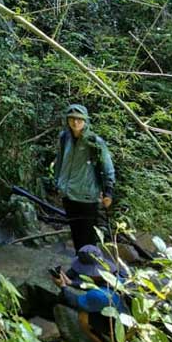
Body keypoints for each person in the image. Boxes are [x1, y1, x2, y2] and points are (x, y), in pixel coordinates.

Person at [53, 104, 115, 251]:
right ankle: (79, 267)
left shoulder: (94, 142)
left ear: (85, 121)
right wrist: (57, 182)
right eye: (72, 119)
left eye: (79, 119)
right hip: (68, 195)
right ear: (67, 120)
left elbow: (108, 169)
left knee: (88, 238)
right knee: (75, 234)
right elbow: (59, 162)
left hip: (87, 197)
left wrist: (108, 192)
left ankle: (90, 269)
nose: (75, 122)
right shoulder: (64, 138)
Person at [53, 244, 127, 342]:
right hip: (125, 313)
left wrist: (63, 287)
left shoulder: (98, 295)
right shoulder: (118, 274)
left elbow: (75, 301)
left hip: (121, 326)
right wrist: (71, 283)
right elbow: (97, 283)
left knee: (83, 317)